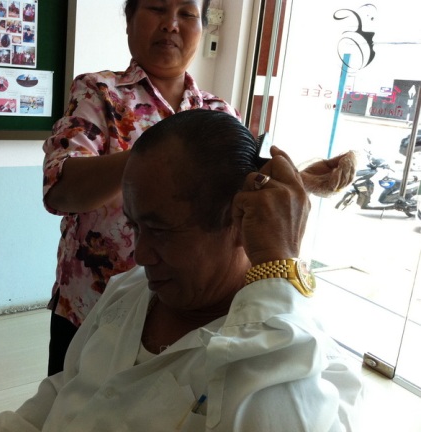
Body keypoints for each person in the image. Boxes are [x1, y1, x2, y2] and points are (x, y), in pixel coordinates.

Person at [0, 109, 362, 432]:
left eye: (161, 231)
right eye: (135, 227)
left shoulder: (308, 365)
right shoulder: (129, 291)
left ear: (239, 221)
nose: (141, 254)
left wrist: (278, 263)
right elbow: (67, 388)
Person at [42, 0, 356, 376]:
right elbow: (60, 190)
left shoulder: (219, 112)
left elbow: (234, 197)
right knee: (68, 399)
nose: (171, 25)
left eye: (187, 14)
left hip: (183, 314)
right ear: (129, 21)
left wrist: (303, 180)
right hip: (91, 304)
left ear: (202, 28)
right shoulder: (99, 92)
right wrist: (158, 155)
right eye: (156, 8)